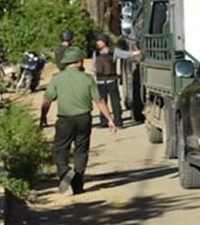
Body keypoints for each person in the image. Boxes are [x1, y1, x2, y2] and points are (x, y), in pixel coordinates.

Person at [40, 47, 116, 194]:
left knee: (59, 150)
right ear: (77, 62)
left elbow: (46, 101)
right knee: (81, 151)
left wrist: (43, 117)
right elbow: (99, 101)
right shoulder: (87, 79)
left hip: (65, 120)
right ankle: (77, 186)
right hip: (84, 119)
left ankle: (65, 171)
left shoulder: (57, 79)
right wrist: (109, 119)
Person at [92, 33, 137, 128]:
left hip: (108, 81)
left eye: (100, 41)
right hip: (105, 81)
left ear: (105, 42)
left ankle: (115, 122)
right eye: (97, 41)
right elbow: (94, 66)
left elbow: (126, 55)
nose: (98, 43)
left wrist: (136, 53)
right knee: (106, 102)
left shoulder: (110, 52)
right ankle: (108, 122)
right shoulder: (100, 53)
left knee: (113, 102)